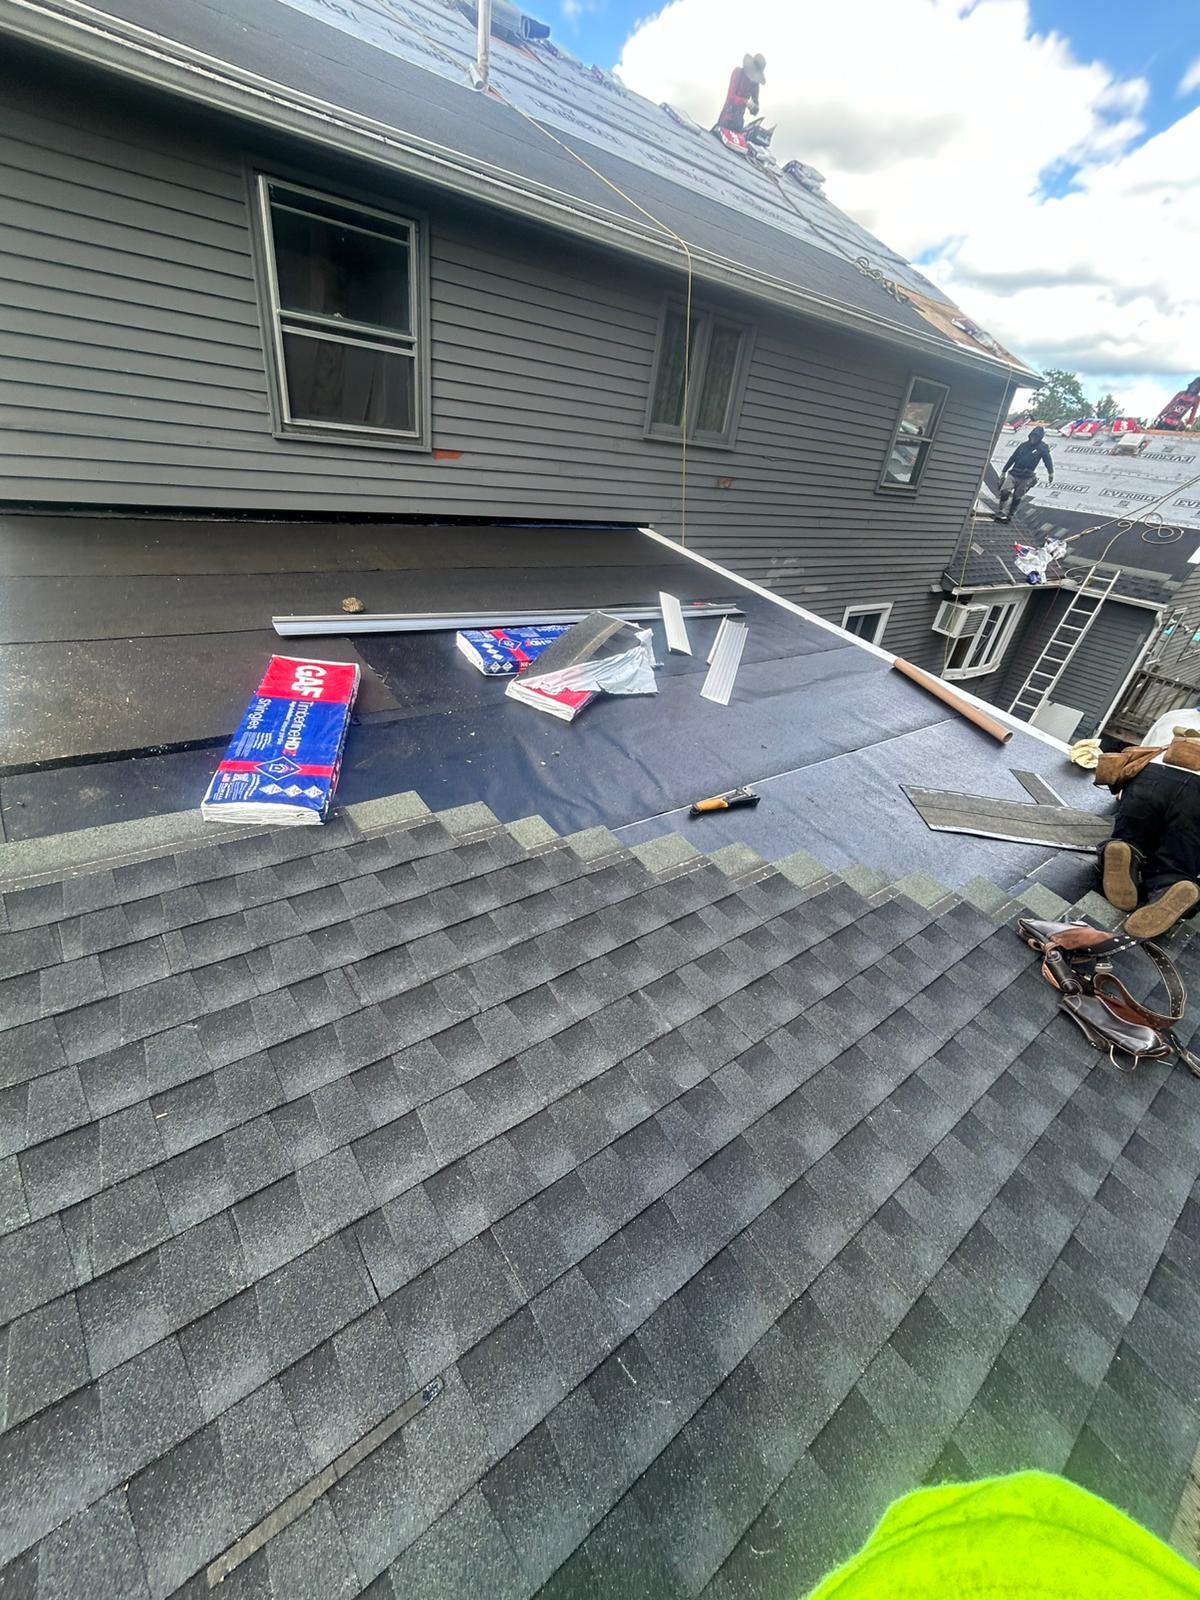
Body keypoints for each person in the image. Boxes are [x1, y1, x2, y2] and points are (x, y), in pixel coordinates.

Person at [1095, 706, 1200, 937]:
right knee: (1178, 859)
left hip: (1152, 776)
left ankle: (1127, 848)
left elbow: (1143, 752)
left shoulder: (1173, 716)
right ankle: (1171, 883)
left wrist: (1125, 800)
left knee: (1135, 835)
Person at [996, 425, 1054, 521]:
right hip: (1014, 473)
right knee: (1005, 491)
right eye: (1033, 436)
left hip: (1026, 476)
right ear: (1030, 436)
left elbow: (1047, 460)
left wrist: (1050, 473)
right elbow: (1013, 458)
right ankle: (1001, 511)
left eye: (1036, 437)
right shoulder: (1023, 445)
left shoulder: (1042, 447)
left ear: (1039, 438)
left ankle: (1010, 514)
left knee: (1017, 497)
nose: (1033, 439)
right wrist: (1004, 471)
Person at [718, 53, 766, 133]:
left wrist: (754, 107)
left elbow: (754, 110)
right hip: (726, 118)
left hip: (738, 123)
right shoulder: (738, 72)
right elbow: (731, 97)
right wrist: (746, 102)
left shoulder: (755, 84)